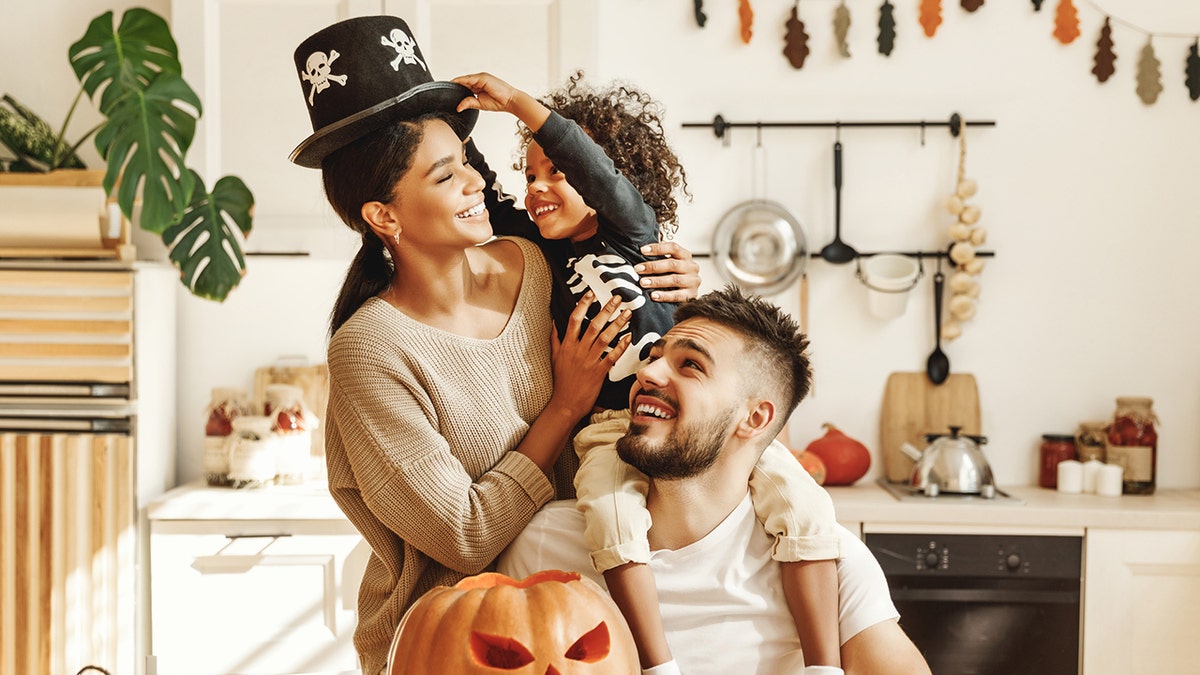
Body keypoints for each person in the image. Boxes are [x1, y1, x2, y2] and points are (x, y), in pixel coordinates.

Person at [286, 17, 702, 675]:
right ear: (383, 216)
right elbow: (465, 534)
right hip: (453, 642)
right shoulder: (369, 349)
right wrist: (563, 408)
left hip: (582, 625)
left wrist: (679, 276)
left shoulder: (536, 263)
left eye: (468, 164)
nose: (478, 183)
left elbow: (620, 260)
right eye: (446, 175)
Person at [452, 72, 844, 674]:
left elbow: (596, 172)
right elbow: (489, 196)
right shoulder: (535, 249)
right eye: (531, 175)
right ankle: (657, 665)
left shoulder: (633, 233)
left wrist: (517, 104)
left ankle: (824, 664)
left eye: (557, 172)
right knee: (610, 515)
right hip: (611, 425)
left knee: (804, 506)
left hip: (699, 419)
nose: (539, 187)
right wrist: (455, 124)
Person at [499, 285, 933, 675]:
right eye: (654, 358)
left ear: (755, 418)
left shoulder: (832, 565)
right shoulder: (545, 547)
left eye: (690, 366)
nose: (647, 374)